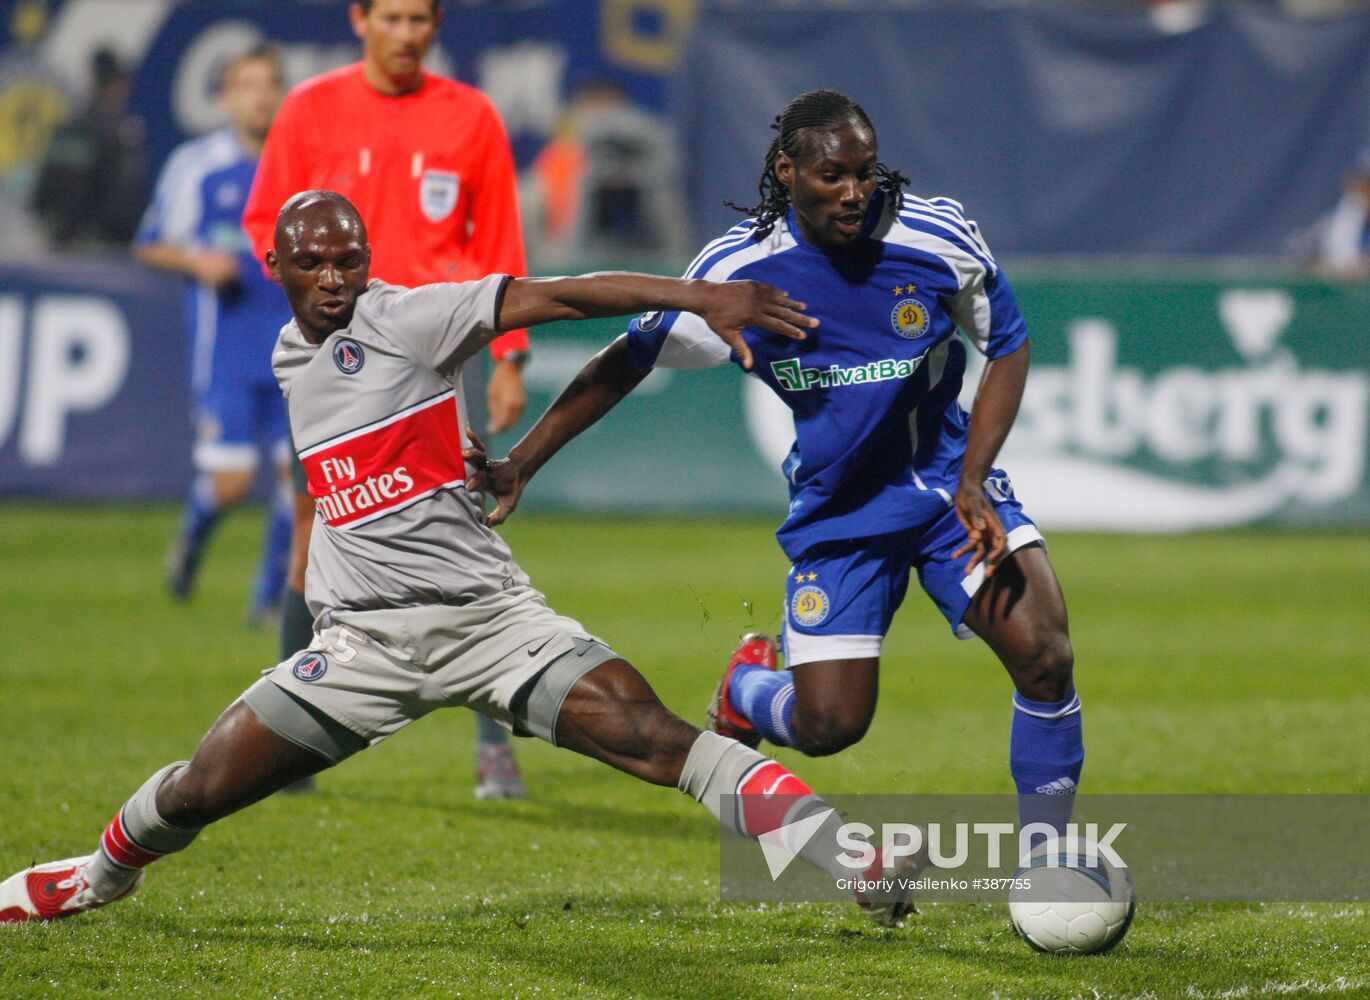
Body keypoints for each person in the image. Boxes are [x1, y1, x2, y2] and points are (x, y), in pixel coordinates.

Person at [0, 190, 917, 930]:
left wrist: (699, 297)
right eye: (313, 263)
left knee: (657, 738)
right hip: (363, 645)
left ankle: (853, 862)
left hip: (491, 622)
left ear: (369, 262)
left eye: (349, 261)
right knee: (201, 787)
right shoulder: (289, 356)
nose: (333, 279)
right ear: (274, 266)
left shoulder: (409, 318)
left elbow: (563, 294)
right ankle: (98, 876)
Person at [474, 90, 1083, 830]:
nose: (855, 192)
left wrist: (974, 476)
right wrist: (524, 462)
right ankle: (747, 691)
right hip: (841, 515)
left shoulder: (933, 237)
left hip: (946, 491)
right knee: (830, 727)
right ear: (786, 171)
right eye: (833, 176)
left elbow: (1009, 343)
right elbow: (624, 360)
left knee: (1045, 653)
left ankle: (1049, 863)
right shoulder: (739, 273)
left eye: (866, 171)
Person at [241, 0, 533, 796]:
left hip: (438, 348)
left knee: (463, 516)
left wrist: (509, 356)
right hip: (337, 358)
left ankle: (493, 744)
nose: (408, 34)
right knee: (314, 518)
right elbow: (266, 221)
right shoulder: (309, 109)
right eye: (393, 17)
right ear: (360, 18)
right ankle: (286, 733)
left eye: (422, 19)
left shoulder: (469, 115)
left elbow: (499, 238)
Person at [135, 46, 293, 622]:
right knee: (229, 482)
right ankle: (192, 538)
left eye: (270, 82)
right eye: (247, 84)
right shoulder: (196, 165)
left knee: (297, 481)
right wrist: (199, 263)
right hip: (226, 352)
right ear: (225, 98)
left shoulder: (298, 164)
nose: (261, 95)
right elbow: (149, 241)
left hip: (295, 353)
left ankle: (269, 599)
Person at [31, 47, 146, 250]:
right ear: (119, 84)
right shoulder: (119, 133)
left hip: (60, 241)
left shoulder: (70, 125)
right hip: (101, 247)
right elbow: (122, 200)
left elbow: (44, 194)